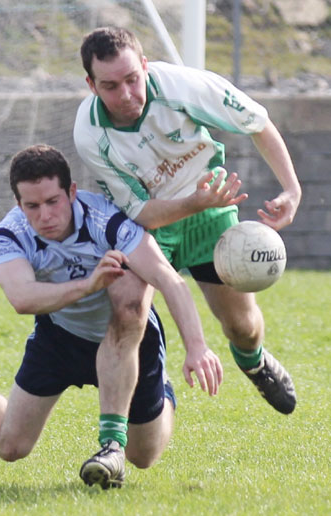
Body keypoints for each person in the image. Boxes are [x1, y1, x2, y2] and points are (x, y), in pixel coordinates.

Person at [0, 144, 222, 489]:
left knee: (142, 456)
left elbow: (168, 279)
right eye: (32, 206)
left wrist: (197, 347)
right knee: (10, 446)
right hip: (60, 336)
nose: (44, 215)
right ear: (18, 204)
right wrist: (89, 285)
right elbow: (23, 298)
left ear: (71, 192)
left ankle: (125, 430)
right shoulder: (9, 234)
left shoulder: (107, 220)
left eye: (53, 201)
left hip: (126, 337)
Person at [74, 26, 301, 415]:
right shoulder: (91, 134)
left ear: (145, 66)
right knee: (127, 309)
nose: (127, 94)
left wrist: (291, 190)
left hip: (210, 210)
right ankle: (116, 435)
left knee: (242, 326)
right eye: (111, 86)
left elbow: (257, 121)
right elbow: (140, 212)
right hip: (150, 223)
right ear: (91, 85)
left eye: (133, 79)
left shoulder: (181, 87)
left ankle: (254, 361)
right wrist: (193, 202)